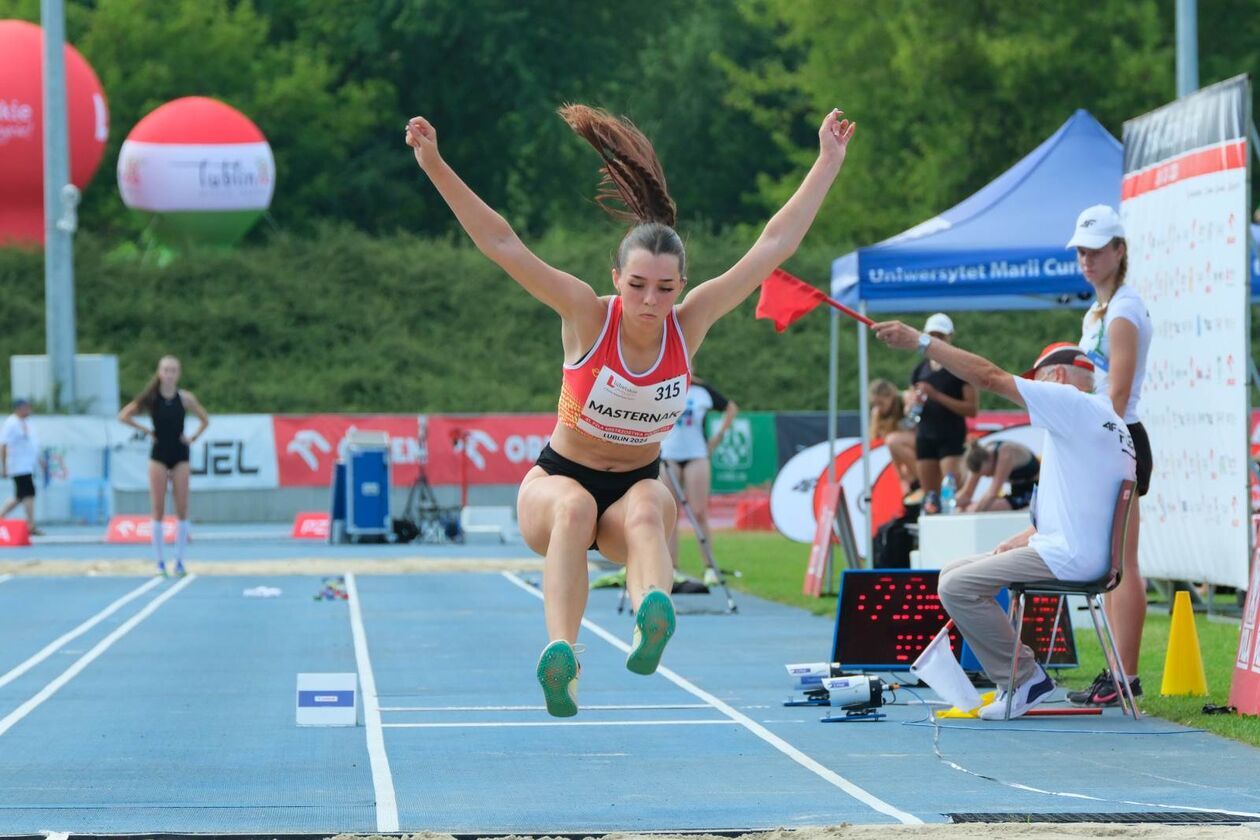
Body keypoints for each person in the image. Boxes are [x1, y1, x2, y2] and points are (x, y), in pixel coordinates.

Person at [406, 105, 856, 717]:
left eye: (666, 288)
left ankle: (652, 618)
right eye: (638, 284)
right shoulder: (586, 314)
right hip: (559, 480)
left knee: (650, 507)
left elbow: (772, 243)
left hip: (633, 488)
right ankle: (562, 656)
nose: (651, 301)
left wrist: (826, 162)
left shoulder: (690, 322)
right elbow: (502, 242)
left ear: (682, 284)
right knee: (573, 507)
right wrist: (434, 163)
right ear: (616, 276)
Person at [873, 322, 1136, 720]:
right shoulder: (1104, 418)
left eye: (1038, 381)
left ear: (1058, 377)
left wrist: (923, 344)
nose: (1031, 393)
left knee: (956, 586)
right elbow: (1086, 504)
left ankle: (1023, 678)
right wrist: (1027, 535)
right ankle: (1016, 675)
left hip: (1070, 556)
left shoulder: (1068, 400)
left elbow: (989, 377)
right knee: (955, 570)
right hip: (1074, 550)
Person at [1064, 204, 1153, 708]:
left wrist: (1085, 431)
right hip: (1106, 437)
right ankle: (1118, 673)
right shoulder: (1099, 309)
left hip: (1119, 437)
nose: (1087, 259)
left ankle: (1128, 676)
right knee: (1113, 564)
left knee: (1123, 564)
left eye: (1096, 250)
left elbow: (1116, 395)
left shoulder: (1123, 310)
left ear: (1119, 250)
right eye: (1081, 250)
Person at [118, 356, 209, 577]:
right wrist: (147, 431)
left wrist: (193, 437)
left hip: (180, 454)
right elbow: (124, 415)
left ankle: (179, 560)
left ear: (178, 374)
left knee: (182, 507)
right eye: (166, 370)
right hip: (159, 455)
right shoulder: (151, 398)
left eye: (173, 370)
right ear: (160, 373)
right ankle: (159, 562)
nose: (169, 374)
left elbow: (205, 419)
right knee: (157, 508)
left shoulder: (185, 398)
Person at [661, 378, 738, 588]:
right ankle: (671, 568)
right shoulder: (662, 383)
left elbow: (730, 408)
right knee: (670, 513)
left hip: (696, 453)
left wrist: (717, 437)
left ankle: (710, 568)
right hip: (668, 454)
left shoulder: (702, 390)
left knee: (699, 512)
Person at [908, 313, 977, 511]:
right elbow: (911, 406)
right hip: (926, 435)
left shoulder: (959, 367)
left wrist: (936, 395)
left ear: (950, 337)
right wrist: (912, 403)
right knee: (930, 498)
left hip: (951, 436)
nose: (936, 340)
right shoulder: (920, 369)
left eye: (941, 336)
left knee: (951, 496)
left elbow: (971, 409)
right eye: (932, 336)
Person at [956, 439, 1039, 512]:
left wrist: (973, 511)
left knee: (992, 507)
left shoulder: (1005, 453)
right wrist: (949, 506)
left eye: (987, 474)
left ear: (990, 460)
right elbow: (966, 494)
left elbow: (992, 493)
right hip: (1016, 490)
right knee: (962, 509)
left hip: (1034, 489)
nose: (988, 476)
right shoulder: (978, 457)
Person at [0, 399, 42, 535]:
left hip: (27, 465)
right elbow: (4, 444)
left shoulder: (27, 422)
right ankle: (31, 525)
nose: (28, 410)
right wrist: (4, 465)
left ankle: (4, 517)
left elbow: (31, 444)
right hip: (17, 465)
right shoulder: (11, 423)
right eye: (25, 407)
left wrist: (39, 460)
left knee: (20, 496)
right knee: (28, 493)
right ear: (18, 408)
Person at [868, 378, 917, 492]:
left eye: (881, 403)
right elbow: (875, 439)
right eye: (875, 404)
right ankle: (906, 482)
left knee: (893, 441)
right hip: (903, 454)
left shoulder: (904, 400)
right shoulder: (877, 413)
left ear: (891, 396)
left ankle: (919, 479)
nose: (878, 407)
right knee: (892, 445)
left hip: (918, 444)